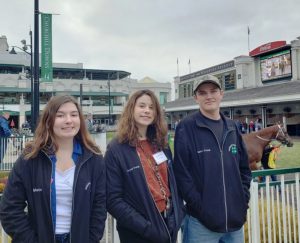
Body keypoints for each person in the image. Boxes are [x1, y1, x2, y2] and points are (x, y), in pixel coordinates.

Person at [0, 95, 106, 243]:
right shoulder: (30, 158)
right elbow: (9, 208)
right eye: (60, 115)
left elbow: (99, 209)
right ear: (49, 121)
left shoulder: (93, 159)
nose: (68, 120)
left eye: (74, 115)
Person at [173, 74, 252, 243]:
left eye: (213, 91)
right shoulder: (186, 127)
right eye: (202, 93)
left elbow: (244, 168)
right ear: (196, 98)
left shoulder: (232, 127)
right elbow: (181, 173)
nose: (209, 96)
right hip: (201, 224)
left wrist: (242, 200)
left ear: (221, 94)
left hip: (235, 223)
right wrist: (201, 208)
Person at [105, 89, 185, 243]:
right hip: (138, 230)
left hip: (168, 221)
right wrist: (147, 228)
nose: (147, 111)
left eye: (151, 107)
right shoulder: (116, 149)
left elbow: (172, 182)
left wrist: (178, 213)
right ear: (131, 109)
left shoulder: (160, 143)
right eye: (142, 106)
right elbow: (113, 199)